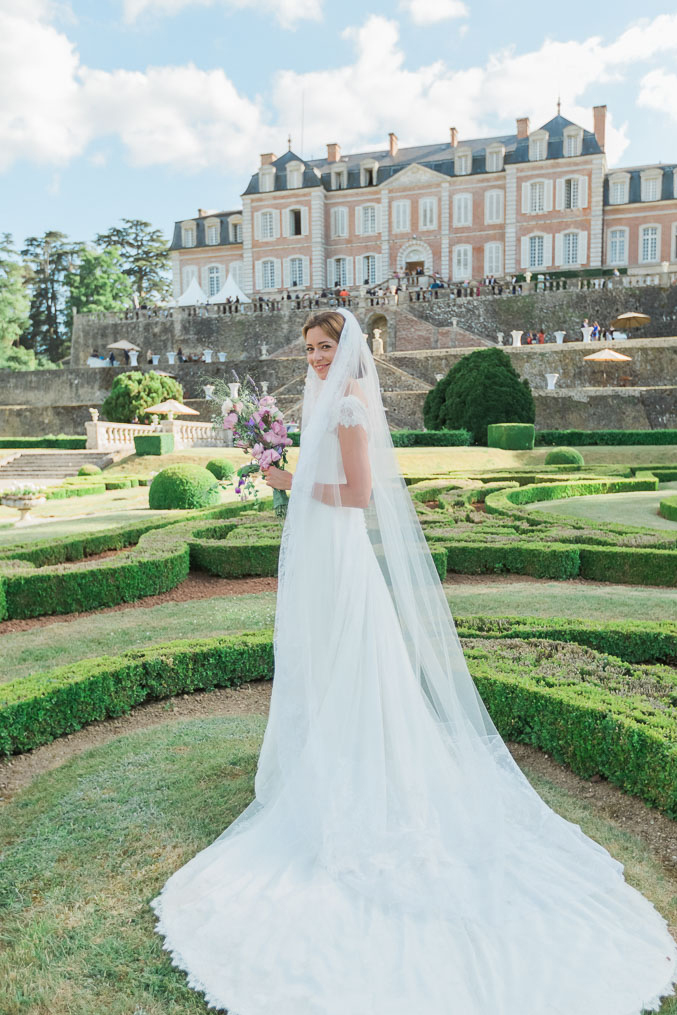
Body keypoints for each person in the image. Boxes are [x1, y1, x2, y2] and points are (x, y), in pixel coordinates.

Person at [150, 308, 677, 1014]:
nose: (313, 357)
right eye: (307, 347)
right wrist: (284, 469)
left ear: (347, 350)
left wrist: (282, 482)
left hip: (340, 554)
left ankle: (361, 782)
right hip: (320, 554)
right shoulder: (323, 395)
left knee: (354, 669)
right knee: (330, 667)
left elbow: (358, 495)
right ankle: (333, 763)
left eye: (324, 346)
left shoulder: (346, 400)